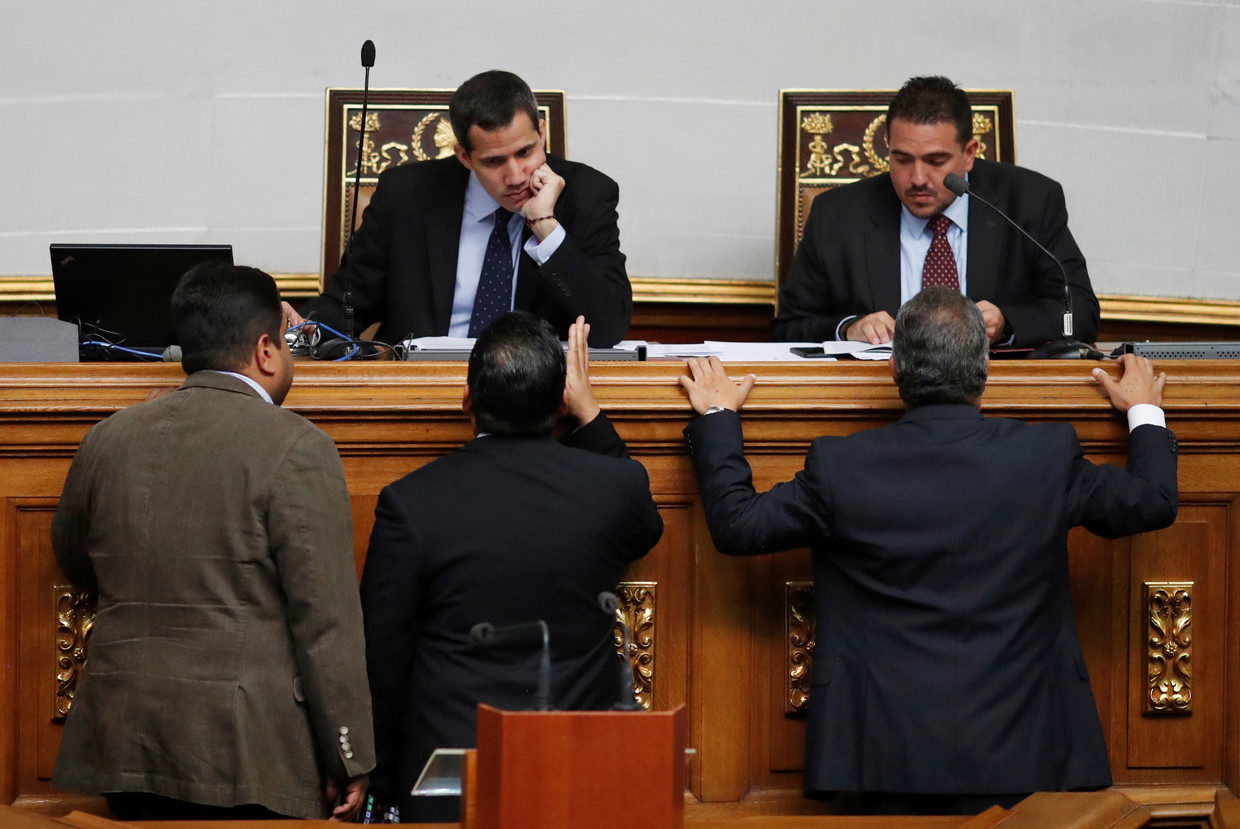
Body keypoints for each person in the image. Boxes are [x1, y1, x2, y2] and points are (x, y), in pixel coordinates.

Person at [680, 287, 1177, 815]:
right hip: (1029, 751)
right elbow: (1151, 502)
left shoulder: (842, 466)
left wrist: (717, 416)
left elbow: (737, 525)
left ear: (894, 369)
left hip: (883, 757)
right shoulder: (1045, 455)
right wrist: (1144, 409)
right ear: (984, 370)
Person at [51, 262, 374, 821]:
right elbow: (325, 623)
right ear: (266, 349)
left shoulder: (106, 439)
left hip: (125, 736)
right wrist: (349, 753)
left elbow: (75, 561)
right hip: (249, 751)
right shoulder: (299, 447)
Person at [360, 313, 662, 821]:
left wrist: (382, 781)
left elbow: (382, 658)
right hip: (576, 776)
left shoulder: (410, 503)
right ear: (563, 403)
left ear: (467, 402)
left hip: (449, 787)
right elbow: (644, 526)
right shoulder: (617, 491)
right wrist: (591, 418)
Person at [292, 70, 631, 347]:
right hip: (417, 392)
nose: (514, 176)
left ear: (541, 134)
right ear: (465, 157)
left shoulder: (588, 195)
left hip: (534, 401)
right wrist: (308, 325)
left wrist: (546, 226)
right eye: (494, 161)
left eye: (525, 152)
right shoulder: (406, 196)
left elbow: (607, 328)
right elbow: (346, 306)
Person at [772, 75, 1099, 349]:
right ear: (888, 147)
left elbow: (1080, 312)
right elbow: (788, 327)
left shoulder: (1029, 202)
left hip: (995, 402)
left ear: (968, 154)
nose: (917, 179)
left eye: (935, 161)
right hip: (878, 400)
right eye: (902, 159)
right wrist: (848, 330)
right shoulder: (838, 214)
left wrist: (1007, 324)